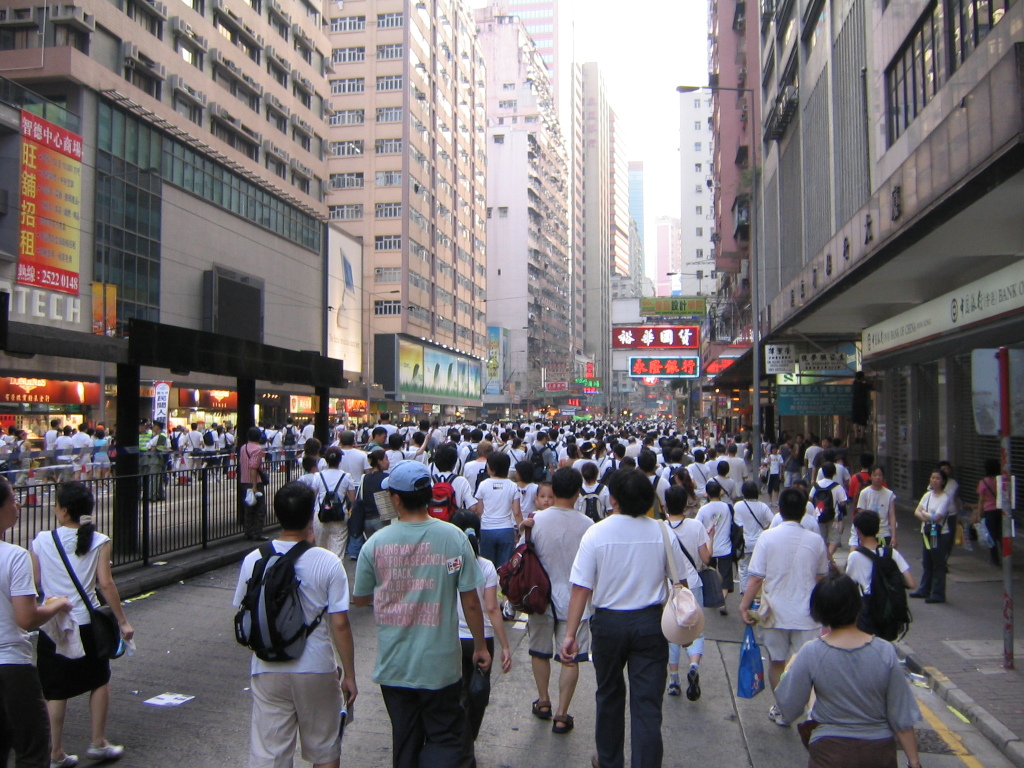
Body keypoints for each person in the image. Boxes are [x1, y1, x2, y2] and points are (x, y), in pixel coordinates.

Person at [352, 462, 491, 768]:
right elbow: (471, 601)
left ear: (396, 499)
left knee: (405, 738)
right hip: (441, 664)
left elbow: (360, 599)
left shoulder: (375, 543)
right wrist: (480, 646)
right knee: (445, 736)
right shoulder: (454, 537)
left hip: (395, 664)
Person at [561, 469, 687, 768]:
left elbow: (581, 588)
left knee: (608, 694)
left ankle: (609, 759)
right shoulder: (662, 531)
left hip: (608, 624)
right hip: (650, 625)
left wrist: (570, 634)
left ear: (613, 499)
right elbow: (679, 580)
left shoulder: (597, 532)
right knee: (647, 704)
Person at [233, 481, 357, 768]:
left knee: (270, 753)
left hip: (267, 666)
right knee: (324, 750)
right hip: (316, 666)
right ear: (311, 514)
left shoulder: (254, 559)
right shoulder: (328, 562)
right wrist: (349, 674)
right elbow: (340, 624)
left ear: (277, 515)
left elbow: (243, 612)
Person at [30, 482, 134, 767]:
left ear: (63, 511)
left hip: (53, 624)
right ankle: (98, 742)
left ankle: (55, 753)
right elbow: (106, 584)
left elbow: (37, 582)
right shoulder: (99, 540)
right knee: (99, 680)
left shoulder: (41, 540)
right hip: (87, 623)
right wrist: (122, 622)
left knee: (54, 690)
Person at [774, 573, 923, 768]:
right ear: (858, 606)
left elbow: (788, 707)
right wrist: (914, 762)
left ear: (818, 611)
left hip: (830, 752)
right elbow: (902, 716)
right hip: (878, 752)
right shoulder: (884, 651)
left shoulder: (811, 652)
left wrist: (788, 670)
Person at [739, 487, 829, 728]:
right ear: (803, 512)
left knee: (777, 662)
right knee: (807, 667)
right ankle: (811, 712)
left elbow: (756, 577)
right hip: (808, 615)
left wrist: (744, 605)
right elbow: (821, 578)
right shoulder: (816, 540)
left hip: (773, 614)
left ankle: (783, 710)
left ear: (780, 509)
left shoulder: (768, 537)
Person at [0, 477, 73, 768]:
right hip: (11, 668)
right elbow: (27, 618)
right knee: (31, 748)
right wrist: (56, 605)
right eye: (13, 499)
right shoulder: (15, 557)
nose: (18, 505)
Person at [522, 468, 593, 735]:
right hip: (576, 602)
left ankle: (543, 701)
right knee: (570, 657)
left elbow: (524, 557)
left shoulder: (535, 520)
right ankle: (562, 714)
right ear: (578, 492)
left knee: (539, 651)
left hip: (540, 596)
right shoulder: (587, 525)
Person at [448, 511, 512, 768]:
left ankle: (458, 748)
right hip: (481, 640)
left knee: (456, 696)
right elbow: (492, 608)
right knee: (476, 698)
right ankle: (466, 748)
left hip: (451, 639)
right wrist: (506, 645)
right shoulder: (486, 566)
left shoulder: (448, 564)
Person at [664, 486, 709, 702]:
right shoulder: (696, 526)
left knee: (672, 632)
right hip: (693, 585)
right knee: (695, 630)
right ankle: (693, 665)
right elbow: (706, 558)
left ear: (665, 504)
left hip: (670, 585)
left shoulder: (661, 528)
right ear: (685, 504)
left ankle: (673, 679)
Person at [846, 511, 915, 636]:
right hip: (887, 613)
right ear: (877, 529)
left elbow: (847, 586)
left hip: (867, 612)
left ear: (858, 531)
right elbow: (911, 583)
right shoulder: (891, 553)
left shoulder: (855, 557)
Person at [300, 446, 356, 559]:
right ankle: (335, 572)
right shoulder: (346, 477)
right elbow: (352, 499)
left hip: (320, 515)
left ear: (326, 460)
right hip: (339, 515)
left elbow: (313, 496)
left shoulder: (318, 476)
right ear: (340, 460)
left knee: (321, 549)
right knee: (338, 550)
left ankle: (321, 573)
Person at [909, 469, 953, 604]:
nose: (934, 480)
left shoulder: (945, 498)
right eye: (932, 478)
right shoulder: (927, 495)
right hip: (927, 532)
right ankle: (924, 589)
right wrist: (929, 517)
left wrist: (926, 515)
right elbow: (917, 511)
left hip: (939, 535)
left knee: (938, 562)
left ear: (943, 482)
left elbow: (938, 517)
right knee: (927, 561)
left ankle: (938, 593)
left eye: (938, 478)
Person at [472, 452, 521, 569]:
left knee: (487, 566)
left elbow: (479, 510)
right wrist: (521, 529)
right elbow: (517, 512)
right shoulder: (512, 486)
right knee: (505, 568)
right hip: (506, 530)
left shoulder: (483, 485)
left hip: (486, 529)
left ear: (491, 468)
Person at [696, 481, 734, 615]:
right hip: (725, 547)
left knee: (708, 575)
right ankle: (722, 602)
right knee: (726, 577)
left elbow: (697, 526)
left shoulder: (703, 509)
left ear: (707, 493)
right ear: (720, 492)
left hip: (708, 548)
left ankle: (712, 599)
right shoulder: (728, 507)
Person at [733, 481, 774, 595]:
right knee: (759, 568)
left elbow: (737, 525)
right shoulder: (763, 506)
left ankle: (745, 591)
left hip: (744, 542)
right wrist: (765, 529)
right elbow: (774, 520)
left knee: (744, 567)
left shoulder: (738, 506)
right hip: (759, 542)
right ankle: (758, 592)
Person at [852, 466, 897, 549]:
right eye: (875, 475)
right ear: (870, 477)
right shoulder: (864, 493)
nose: (878, 477)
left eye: (880, 475)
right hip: (870, 534)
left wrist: (894, 536)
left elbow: (892, 516)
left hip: (885, 533)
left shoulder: (889, 494)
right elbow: (861, 513)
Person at [238, 427, 268, 542]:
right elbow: (253, 467)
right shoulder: (258, 449)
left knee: (248, 508)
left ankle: (248, 532)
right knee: (260, 508)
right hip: (255, 482)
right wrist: (254, 485)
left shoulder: (243, 448)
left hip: (243, 480)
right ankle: (257, 533)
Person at [975, 458, 1003, 565]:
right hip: (1001, 510)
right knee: (1001, 534)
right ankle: (1006, 555)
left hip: (989, 511)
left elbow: (981, 500)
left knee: (991, 535)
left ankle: (995, 559)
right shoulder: (1001, 481)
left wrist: (978, 514)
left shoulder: (983, 482)